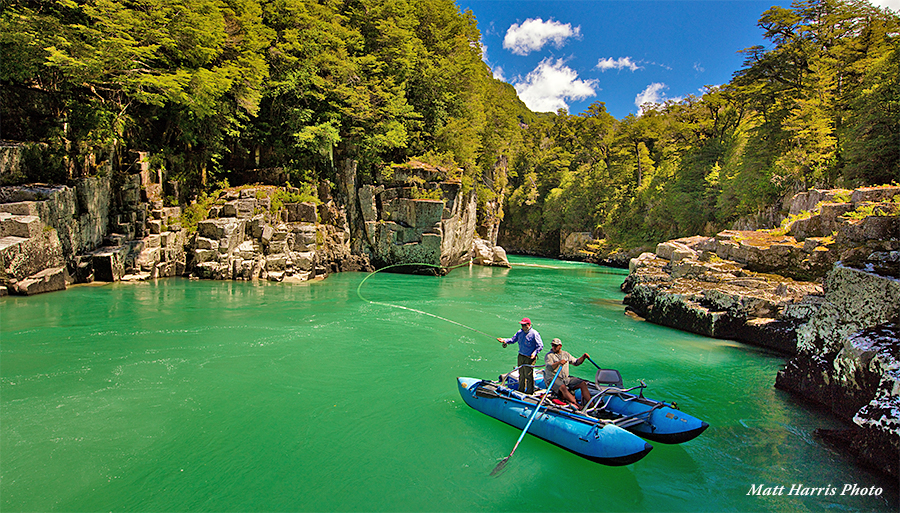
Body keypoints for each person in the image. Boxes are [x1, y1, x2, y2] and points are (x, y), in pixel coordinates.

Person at [497, 317, 543, 395]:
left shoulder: (534, 333)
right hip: (521, 356)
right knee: (521, 374)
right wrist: (504, 340)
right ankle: (520, 390)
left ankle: (529, 392)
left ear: (528, 325)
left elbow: (540, 345)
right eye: (521, 325)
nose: (522, 327)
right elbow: (512, 340)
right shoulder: (520, 332)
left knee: (528, 375)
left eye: (524, 325)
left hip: (529, 358)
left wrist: (534, 353)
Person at [544, 338, 591, 409]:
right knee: (563, 387)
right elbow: (550, 367)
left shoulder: (566, 354)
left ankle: (591, 405)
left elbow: (576, 362)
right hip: (553, 378)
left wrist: (583, 357)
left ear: (560, 346)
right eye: (552, 345)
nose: (553, 347)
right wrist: (558, 363)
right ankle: (577, 405)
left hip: (565, 378)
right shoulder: (549, 356)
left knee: (583, 384)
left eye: (555, 346)